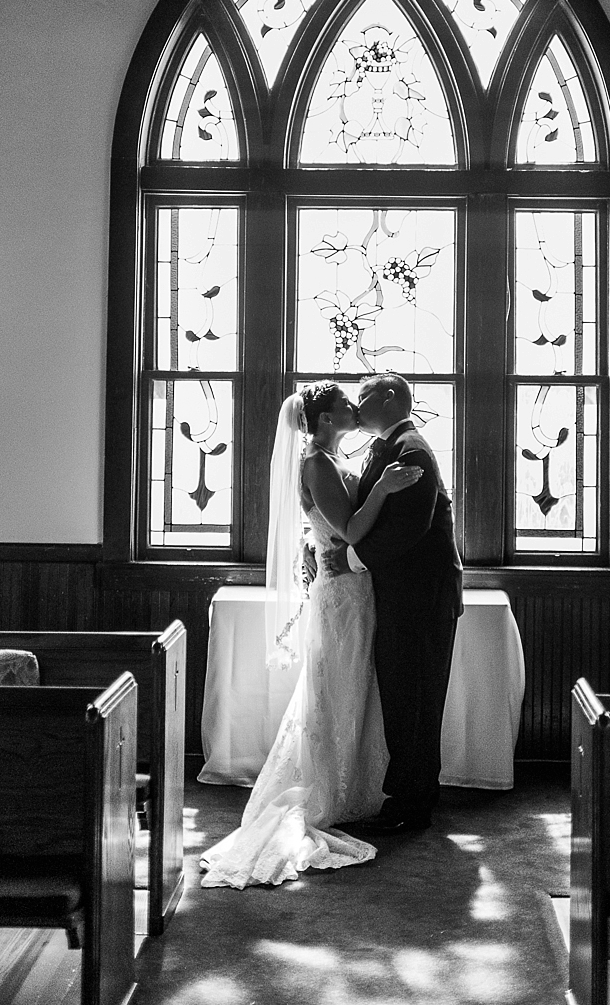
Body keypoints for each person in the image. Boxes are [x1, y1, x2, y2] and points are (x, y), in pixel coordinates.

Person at [199, 380, 421, 889]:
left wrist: (310, 542)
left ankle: (350, 786)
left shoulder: (330, 458)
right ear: (323, 419)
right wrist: (384, 489)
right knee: (335, 687)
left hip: (351, 587)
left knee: (348, 687)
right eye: (345, 404)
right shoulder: (318, 463)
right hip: (342, 594)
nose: (353, 409)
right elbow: (349, 532)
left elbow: (325, 525)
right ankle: (327, 790)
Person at [349, 372, 463, 834]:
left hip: (422, 596)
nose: (356, 406)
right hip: (406, 593)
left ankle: (412, 805)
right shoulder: (389, 447)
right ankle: (410, 797)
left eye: (364, 396)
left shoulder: (411, 450)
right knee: (402, 695)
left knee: (415, 698)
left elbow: (409, 528)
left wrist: (355, 557)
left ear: (391, 397)